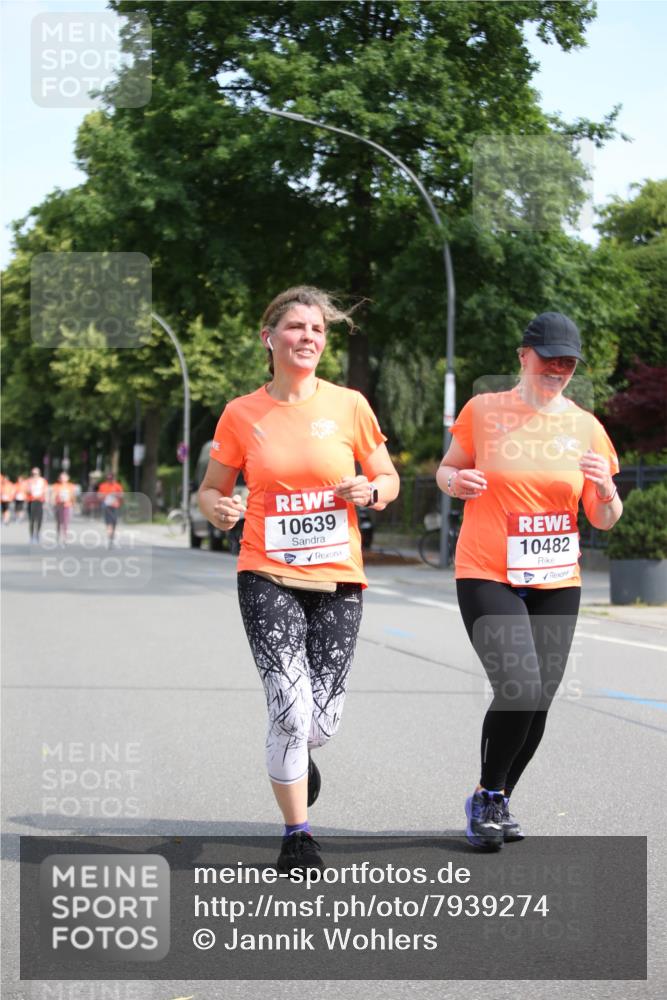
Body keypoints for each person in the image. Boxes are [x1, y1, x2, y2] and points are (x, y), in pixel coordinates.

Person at [199, 286, 400, 873]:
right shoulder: (242, 413)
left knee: (321, 720)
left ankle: (299, 753)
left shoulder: (349, 406)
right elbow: (210, 488)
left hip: (338, 577)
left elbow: (385, 477)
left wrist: (373, 491)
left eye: (317, 329)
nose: (308, 337)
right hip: (266, 572)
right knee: (289, 706)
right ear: (270, 338)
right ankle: (297, 834)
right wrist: (218, 507)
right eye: (295, 327)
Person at [436, 312, 622, 850]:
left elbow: (605, 518)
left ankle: (494, 796)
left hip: (557, 578)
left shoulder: (587, 427)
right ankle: (489, 795)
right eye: (549, 359)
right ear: (523, 355)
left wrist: (606, 489)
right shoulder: (483, 411)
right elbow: (446, 471)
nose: (558, 369)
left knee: (539, 697)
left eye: (568, 363)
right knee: (518, 685)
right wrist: (458, 481)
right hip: (487, 570)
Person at [97, 472, 124, 547]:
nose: (110, 480)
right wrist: (104, 496)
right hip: (106, 506)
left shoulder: (117, 486)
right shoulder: (103, 486)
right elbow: (99, 496)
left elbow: (122, 495)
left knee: (114, 521)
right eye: (108, 478)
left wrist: (116, 495)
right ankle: (110, 537)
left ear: (113, 478)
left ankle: (112, 534)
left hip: (115, 506)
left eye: (111, 478)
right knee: (108, 522)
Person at [51, 471, 77, 545]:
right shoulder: (56, 486)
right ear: (59, 478)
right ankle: (58, 535)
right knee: (58, 522)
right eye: (61, 477)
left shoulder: (70, 486)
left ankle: (65, 537)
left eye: (64, 477)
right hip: (58, 505)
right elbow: (54, 495)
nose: (63, 479)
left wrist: (74, 503)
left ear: (67, 478)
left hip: (67, 505)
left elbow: (73, 496)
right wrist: (53, 502)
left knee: (65, 522)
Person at [26, 467, 50, 543]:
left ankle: (37, 534)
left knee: (39, 519)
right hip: (31, 501)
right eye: (33, 473)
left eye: (36, 473)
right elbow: (25, 490)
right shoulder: (29, 481)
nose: (34, 475)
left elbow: (46, 491)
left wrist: (46, 502)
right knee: (31, 520)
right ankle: (32, 536)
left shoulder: (43, 481)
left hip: (40, 501)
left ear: (39, 474)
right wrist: (28, 490)